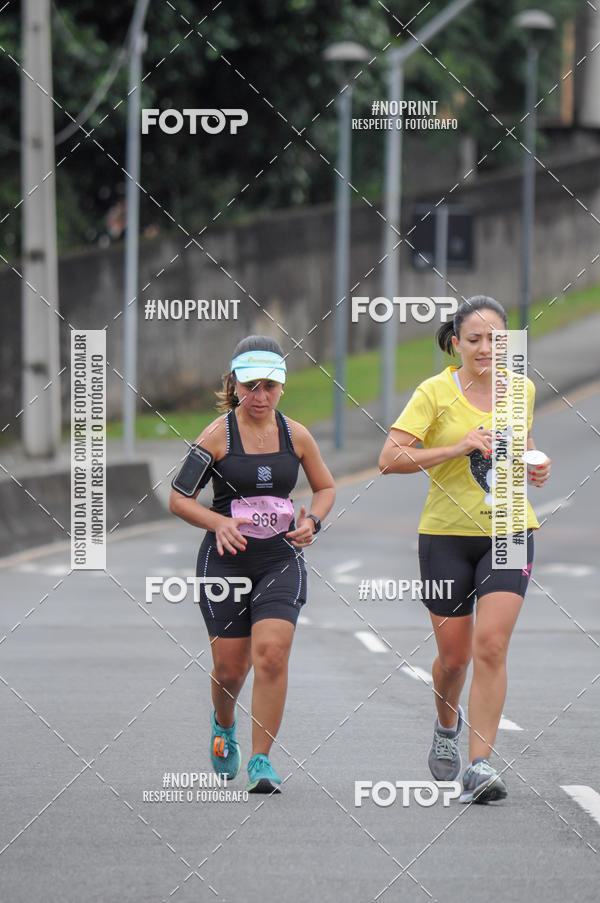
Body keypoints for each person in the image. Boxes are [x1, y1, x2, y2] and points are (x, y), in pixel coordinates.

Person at [378, 296, 551, 804]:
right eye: (473, 339)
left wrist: (535, 466)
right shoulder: (434, 392)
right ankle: (445, 724)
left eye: (494, 339)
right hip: (445, 536)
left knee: (491, 646)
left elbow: (520, 447)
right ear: (455, 343)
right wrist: (456, 446)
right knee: (453, 659)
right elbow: (389, 458)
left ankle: (480, 765)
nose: (484, 348)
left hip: (510, 530)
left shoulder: (522, 390)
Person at [169, 335, 335, 794]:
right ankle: (224, 725)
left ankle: (261, 759)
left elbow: (325, 488)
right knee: (230, 669)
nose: (260, 396)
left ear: (282, 386)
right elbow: (178, 498)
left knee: (272, 655)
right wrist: (218, 522)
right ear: (235, 384)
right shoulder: (215, 436)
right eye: (250, 386)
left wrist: (314, 522)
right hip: (225, 561)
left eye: (269, 386)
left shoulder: (296, 435)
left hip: (280, 558)